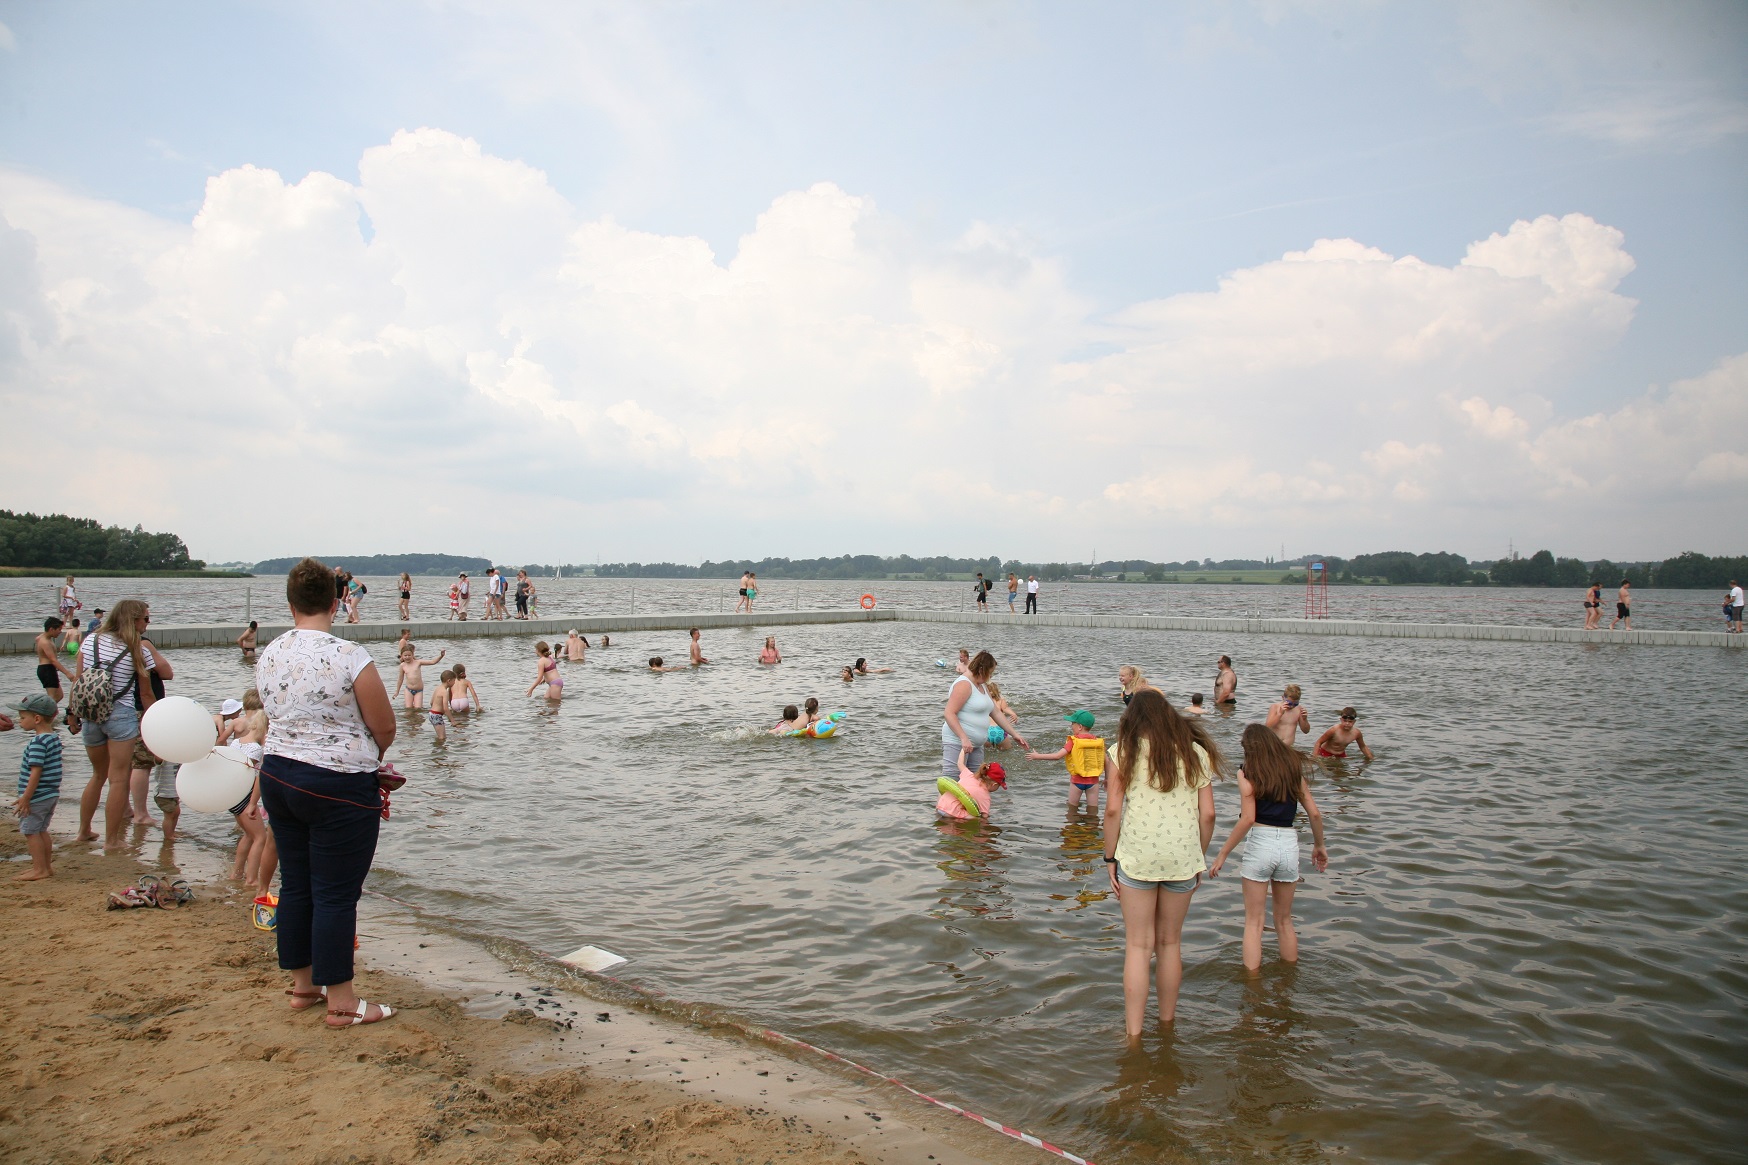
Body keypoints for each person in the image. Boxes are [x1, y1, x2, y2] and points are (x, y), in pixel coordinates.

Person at [254, 557, 398, 1027]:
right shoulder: (350, 655)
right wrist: (364, 758)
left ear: (290, 602)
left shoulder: (270, 652)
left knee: (297, 883)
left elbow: (277, 713)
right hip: (337, 785)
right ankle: (342, 1001)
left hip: (278, 774)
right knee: (336, 893)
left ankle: (303, 986)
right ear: (337, 602)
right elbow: (385, 726)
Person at [1102, 689, 1221, 1037]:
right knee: (1170, 943)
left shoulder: (1123, 751)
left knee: (1139, 946)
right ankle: (1167, 1027)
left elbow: (1111, 810)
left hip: (1137, 855)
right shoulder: (1195, 752)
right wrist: (1197, 856)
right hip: (1183, 856)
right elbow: (1209, 815)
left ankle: (1134, 1036)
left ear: (1132, 720)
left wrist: (1110, 858)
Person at [1207, 723, 1329, 972]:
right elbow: (1314, 814)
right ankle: (1288, 980)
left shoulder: (1248, 772)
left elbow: (1248, 818)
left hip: (1260, 844)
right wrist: (1319, 846)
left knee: (1254, 923)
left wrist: (1223, 853)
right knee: (1284, 921)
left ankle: (1252, 986)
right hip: (1288, 845)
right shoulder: (1293, 770)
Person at [71, 600, 159, 851]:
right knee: (119, 779)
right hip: (120, 714)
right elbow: (145, 694)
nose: (147, 623)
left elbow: (78, 682)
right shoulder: (138, 650)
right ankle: (112, 841)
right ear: (133, 621)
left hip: (91, 714)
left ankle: (83, 831)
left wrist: (72, 714)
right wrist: (154, 725)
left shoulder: (91, 641)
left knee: (98, 775)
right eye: (145, 619)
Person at [941, 650, 1027, 784]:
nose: (990, 677)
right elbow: (949, 713)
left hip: (977, 744)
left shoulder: (982, 686)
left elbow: (996, 712)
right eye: (990, 673)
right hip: (958, 742)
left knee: (977, 782)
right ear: (981, 669)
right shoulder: (964, 684)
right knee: (952, 781)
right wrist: (964, 738)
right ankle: (943, 806)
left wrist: (1014, 734)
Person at [11, 693, 63, 881]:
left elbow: (36, 772)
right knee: (41, 830)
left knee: (31, 832)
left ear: (37, 718)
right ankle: (46, 868)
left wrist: (26, 797)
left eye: (23, 717)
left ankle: (39, 869)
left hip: (37, 796)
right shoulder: (53, 738)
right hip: (50, 794)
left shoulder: (38, 742)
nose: (19, 721)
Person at [1027, 710, 1107, 810]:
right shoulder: (1097, 742)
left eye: (1073, 723)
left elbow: (1057, 756)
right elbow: (1106, 761)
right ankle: (1093, 825)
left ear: (1080, 727)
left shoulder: (1073, 741)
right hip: (1093, 782)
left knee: (1072, 808)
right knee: (1093, 809)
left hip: (1077, 782)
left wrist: (1037, 756)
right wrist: (1107, 778)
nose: (1071, 726)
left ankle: (1072, 825)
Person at [35, 618, 76, 728]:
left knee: (59, 696)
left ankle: (43, 715)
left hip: (48, 669)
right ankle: (43, 720)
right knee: (52, 698)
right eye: (58, 629)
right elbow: (53, 660)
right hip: (47, 669)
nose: (60, 632)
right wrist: (68, 673)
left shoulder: (42, 637)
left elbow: (37, 638)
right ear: (51, 629)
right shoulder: (45, 642)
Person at [937, 757, 1005, 820]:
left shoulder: (969, 775)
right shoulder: (985, 797)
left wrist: (963, 750)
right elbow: (985, 816)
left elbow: (960, 763)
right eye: (999, 786)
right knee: (977, 818)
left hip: (940, 805)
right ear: (994, 784)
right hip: (950, 813)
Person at [428, 670, 455, 743]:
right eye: (454, 680)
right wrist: (452, 720)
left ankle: (439, 751)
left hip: (432, 714)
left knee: (442, 737)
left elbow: (431, 702)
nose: (454, 682)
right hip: (436, 715)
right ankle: (439, 750)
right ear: (449, 681)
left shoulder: (438, 688)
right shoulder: (444, 692)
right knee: (442, 738)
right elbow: (446, 708)